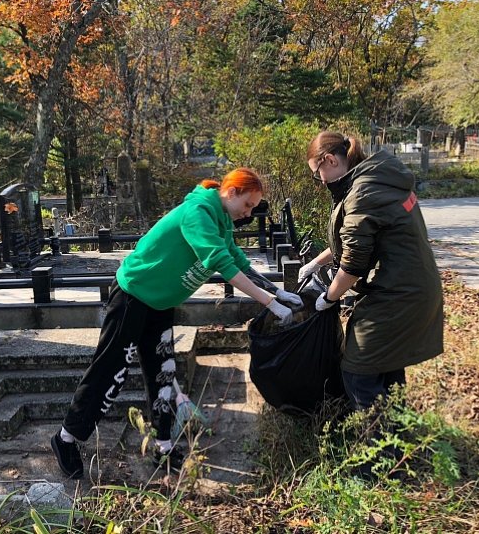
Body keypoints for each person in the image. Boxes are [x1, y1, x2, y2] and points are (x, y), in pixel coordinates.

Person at [52, 168, 302, 479]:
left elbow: (236, 258)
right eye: (248, 205)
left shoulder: (221, 221)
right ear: (231, 192)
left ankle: (163, 445)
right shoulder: (198, 212)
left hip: (160, 303)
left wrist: (277, 291)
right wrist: (269, 303)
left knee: (163, 373)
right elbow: (219, 262)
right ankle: (66, 438)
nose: (249, 213)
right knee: (110, 373)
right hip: (133, 296)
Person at [298, 132, 443, 412]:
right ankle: (398, 438)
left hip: (397, 294)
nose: (322, 182)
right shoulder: (376, 179)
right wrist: (317, 263)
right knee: (386, 365)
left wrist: (328, 297)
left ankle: (383, 449)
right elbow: (358, 236)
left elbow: (353, 263)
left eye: (318, 174)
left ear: (329, 160)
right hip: (411, 287)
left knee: (358, 370)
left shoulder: (363, 192)